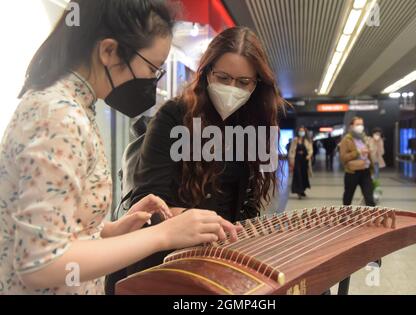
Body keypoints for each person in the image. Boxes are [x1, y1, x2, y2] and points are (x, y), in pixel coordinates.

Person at [0, 0, 240, 295]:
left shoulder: (71, 106)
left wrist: (110, 231)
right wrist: (163, 234)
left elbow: (60, 231)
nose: (153, 80)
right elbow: (40, 264)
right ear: (109, 51)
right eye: (153, 67)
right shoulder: (59, 115)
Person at [112, 26, 284, 287]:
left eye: (243, 82)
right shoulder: (174, 116)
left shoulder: (253, 122)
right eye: (223, 78)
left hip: (220, 255)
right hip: (165, 259)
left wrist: (241, 237)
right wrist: (188, 219)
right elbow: (147, 202)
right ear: (207, 74)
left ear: (256, 84)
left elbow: (246, 203)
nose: (231, 88)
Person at [339, 117, 375, 207]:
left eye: (361, 124)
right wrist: (358, 152)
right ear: (351, 126)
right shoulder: (346, 140)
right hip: (352, 172)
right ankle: (344, 216)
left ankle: (373, 219)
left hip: (366, 171)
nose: (360, 126)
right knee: (348, 197)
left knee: (369, 197)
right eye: (357, 124)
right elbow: (343, 157)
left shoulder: (364, 138)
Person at [289, 127, 313, 199]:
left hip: (304, 161)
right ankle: (299, 191)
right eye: (300, 131)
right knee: (298, 175)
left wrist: (308, 156)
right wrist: (291, 159)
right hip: (297, 160)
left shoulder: (307, 141)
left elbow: (310, 150)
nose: (301, 132)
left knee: (303, 175)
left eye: (302, 131)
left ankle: (302, 191)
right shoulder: (295, 140)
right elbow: (291, 150)